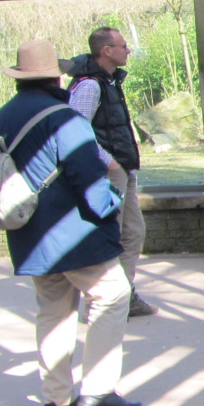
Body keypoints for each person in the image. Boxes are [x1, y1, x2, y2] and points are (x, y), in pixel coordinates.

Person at [0, 40, 141, 406]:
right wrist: (112, 203)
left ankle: (55, 401)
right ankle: (98, 391)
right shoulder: (64, 117)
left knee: (53, 312)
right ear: (55, 75)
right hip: (75, 235)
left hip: (30, 235)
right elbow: (87, 175)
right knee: (114, 294)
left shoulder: (2, 117)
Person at [66, 26, 156, 317]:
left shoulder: (109, 82)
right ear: (107, 51)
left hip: (121, 168)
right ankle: (106, 300)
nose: (128, 50)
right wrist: (110, 162)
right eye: (123, 45)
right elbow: (76, 130)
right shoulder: (91, 86)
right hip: (108, 171)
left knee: (132, 232)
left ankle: (123, 296)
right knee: (112, 235)